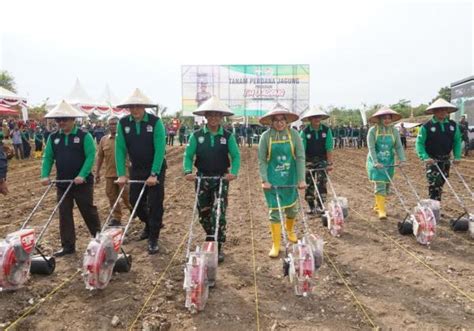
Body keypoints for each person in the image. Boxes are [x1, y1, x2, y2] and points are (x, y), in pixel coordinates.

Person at [183, 96, 240, 263]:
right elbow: (188, 156)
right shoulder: (197, 135)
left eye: (217, 115)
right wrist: (188, 171)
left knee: (219, 212)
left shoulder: (228, 136)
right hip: (202, 177)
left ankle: (218, 245)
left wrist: (234, 172)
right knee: (204, 212)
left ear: (221, 117)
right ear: (206, 117)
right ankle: (210, 234)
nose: (214, 118)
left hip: (221, 177)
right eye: (211, 115)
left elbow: (236, 156)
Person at [40, 101, 101, 256]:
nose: (61, 122)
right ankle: (68, 246)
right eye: (58, 120)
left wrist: (82, 174)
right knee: (64, 213)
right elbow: (48, 158)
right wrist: (44, 175)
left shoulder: (83, 136)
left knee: (88, 211)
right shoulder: (53, 138)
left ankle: (99, 240)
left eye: (65, 119)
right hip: (62, 182)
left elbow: (90, 157)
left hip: (82, 183)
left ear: (73, 119)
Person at [115, 88, 166, 254]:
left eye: (138, 106)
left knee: (155, 203)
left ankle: (153, 238)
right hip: (136, 168)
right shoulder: (123, 123)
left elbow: (160, 149)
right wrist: (121, 174)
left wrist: (154, 173)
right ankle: (149, 224)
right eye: (132, 107)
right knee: (134, 201)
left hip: (155, 168)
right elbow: (120, 149)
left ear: (144, 107)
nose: (135, 110)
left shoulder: (155, 122)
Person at [258, 104, 306, 258]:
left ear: (287, 121)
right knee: (275, 212)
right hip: (273, 180)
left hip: (290, 178)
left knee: (292, 209)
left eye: (282, 120)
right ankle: (276, 244)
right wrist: (265, 180)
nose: (279, 123)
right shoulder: (266, 137)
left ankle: (290, 229)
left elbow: (299, 157)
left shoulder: (294, 135)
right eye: (276, 120)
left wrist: (301, 179)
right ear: (271, 122)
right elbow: (262, 161)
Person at [416, 98, 462, 201]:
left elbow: (457, 141)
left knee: (441, 181)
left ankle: (435, 202)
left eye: (444, 110)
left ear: (447, 111)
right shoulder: (426, 126)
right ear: (434, 111)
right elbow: (419, 143)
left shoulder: (453, 125)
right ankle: (434, 205)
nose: (442, 112)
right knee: (434, 182)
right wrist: (424, 157)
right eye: (439, 110)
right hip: (432, 159)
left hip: (446, 159)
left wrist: (457, 156)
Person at [366, 107, 406, 219]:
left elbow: (398, 146)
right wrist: (375, 162)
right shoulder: (373, 131)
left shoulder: (394, 131)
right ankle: (382, 211)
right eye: (384, 118)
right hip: (376, 162)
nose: (387, 120)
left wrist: (402, 159)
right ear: (379, 119)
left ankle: (377, 206)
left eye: (389, 118)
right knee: (380, 184)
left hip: (388, 161)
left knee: (387, 186)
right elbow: (371, 147)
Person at [96, 116, 132, 226]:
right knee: (111, 196)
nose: (113, 126)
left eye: (115, 124)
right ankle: (116, 218)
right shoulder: (104, 140)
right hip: (110, 173)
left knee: (126, 195)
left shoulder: (126, 138)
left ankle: (134, 209)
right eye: (110, 124)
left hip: (124, 173)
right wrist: (97, 172)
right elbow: (100, 157)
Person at [299, 107, 334, 215]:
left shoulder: (326, 130)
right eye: (314, 117)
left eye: (318, 117)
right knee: (309, 183)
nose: (316, 119)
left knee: (321, 181)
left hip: (322, 160)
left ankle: (320, 205)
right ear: (310, 119)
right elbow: (301, 150)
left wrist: (329, 163)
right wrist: (302, 165)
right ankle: (311, 206)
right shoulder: (305, 132)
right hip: (308, 160)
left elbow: (329, 147)